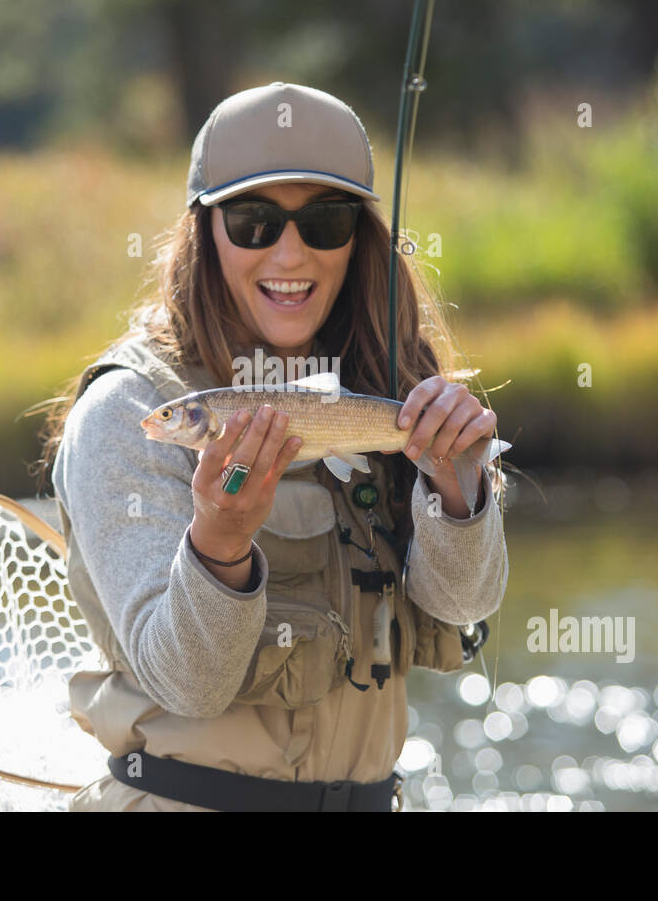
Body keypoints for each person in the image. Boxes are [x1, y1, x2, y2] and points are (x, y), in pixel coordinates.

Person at [39, 81, 507, 811]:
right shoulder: (126, 410)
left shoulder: (389, 387)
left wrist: (459, 492)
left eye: (326, 219)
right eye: (254, 221)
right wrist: (219, 547)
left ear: (360, 238)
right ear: (206, 231)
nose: (291, 251)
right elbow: (187, 681)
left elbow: (464, 607)